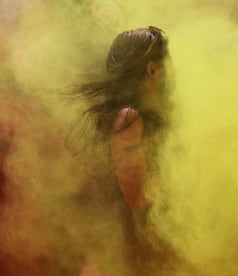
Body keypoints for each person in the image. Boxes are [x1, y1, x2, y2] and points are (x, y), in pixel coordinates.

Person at [74, 26, 178, 275]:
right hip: (140, 249)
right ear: (152, 70)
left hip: (161, 239)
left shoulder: (156, 112)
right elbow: (138, 197)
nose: (175, 70)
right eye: (169, 60)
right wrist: (189, 170)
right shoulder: (128, 117)